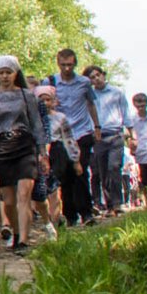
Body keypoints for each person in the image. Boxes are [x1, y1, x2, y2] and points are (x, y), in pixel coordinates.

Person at [0, 56, 44, 253]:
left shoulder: (27, 95)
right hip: (2, 147)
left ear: (16, 73)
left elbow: (37, 124)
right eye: (1, 73)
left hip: (25, 145)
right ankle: (15, 233)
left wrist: (42, 152)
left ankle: (24, 240)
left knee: (24, 194)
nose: (5, 76)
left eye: (9, 72)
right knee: (9, 200)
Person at [42, 49, 99, 226]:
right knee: (64, 175)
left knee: (80, 171)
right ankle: (70, 214)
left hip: (81, 131)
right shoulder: (50, 82)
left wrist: (97, 126)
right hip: (60, 134)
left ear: (75, 64)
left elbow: (91, 104)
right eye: (63, 65)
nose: (67, 68)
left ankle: (86, 212)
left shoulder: (84, 83)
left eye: (70, 65)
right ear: (58, 64)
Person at [35, 84, 80, 238]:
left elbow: (69, 139)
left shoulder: (60, 118)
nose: (45, 103)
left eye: (48, 99)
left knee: (55, 188)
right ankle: (47, 218)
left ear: (53, 101)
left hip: (57, 152)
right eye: (42, 99)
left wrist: (75, 159)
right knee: (42, 188)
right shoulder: (33, 118)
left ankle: (54, 221)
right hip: (39, 153)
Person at [87, 67, 130, 218]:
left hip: (115, 134)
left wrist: (131, 134)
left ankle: (118, 203)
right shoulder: (89, 95)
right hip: (98, 136)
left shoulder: (117, 92)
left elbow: (125, 112)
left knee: (114, 167)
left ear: (103, 75)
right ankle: (110, 205)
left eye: (98, 75)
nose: (96, 79)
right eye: (92, 77)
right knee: (103, 171)